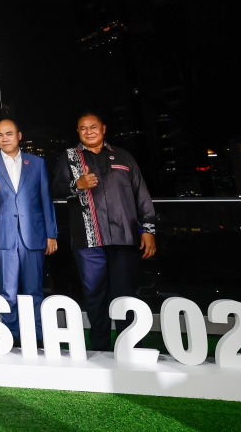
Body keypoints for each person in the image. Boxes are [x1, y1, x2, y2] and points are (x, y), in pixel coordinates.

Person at [52, 112, 157, 352]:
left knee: (125, 296)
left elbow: (141, 194)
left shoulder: (123, 156)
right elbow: (56, 191)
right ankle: (99, 350)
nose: (88, 131)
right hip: (88, 240)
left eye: (93, 127)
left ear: (103, 129)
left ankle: (129, 348)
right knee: (95, 297)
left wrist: (148, 229)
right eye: (82, 128)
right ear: (77, 132)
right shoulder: (69, 157)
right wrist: (76, 185)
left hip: (125, 237)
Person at [0, 119, 57, 341]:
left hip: (34, 234)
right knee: (8, 293)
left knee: (35, 292)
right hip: (5, 236)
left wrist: (52, 234)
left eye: (9, 133)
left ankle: (38, 338)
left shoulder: (37, 163)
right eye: (0, 135)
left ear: (19, 135)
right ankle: (11, 338)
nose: (4, 138)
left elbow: (45, 199)